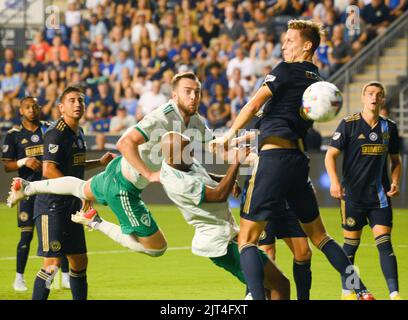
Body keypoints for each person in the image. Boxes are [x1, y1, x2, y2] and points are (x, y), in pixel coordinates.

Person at [209, 19, 374, 300]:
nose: (284, 45)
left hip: (273, 160)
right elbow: (276, 118)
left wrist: (227, 136)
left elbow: (252, 104)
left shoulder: (285, 71)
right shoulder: (318, 84)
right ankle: (361, 290)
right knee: (321, 237)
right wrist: (243, 139)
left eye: (290, 40)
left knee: (247, 240)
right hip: (298, 162)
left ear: (307, 46)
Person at [8, 72, 214, 261]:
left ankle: (28, 187)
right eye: (188, 91)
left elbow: (216, 144)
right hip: (123, 189)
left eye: (197, 92)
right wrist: (150, 174)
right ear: (175, 94)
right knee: (157, 248)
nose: (194, 96)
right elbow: (123, 143)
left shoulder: (194, 120)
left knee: (80, 188)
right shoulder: (163, 115)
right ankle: (96, 222)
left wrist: (237, 141)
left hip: (115, 170)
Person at [10, 86, 113, 300]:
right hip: (51, 207)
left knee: (79, 261)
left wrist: (99, 162)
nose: (77, 104)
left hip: (71, 207)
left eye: (80, 100)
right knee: (52, 265)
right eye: (72, 100)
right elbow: (49, 170)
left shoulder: (79, 132)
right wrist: (81, 192)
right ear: (61, 107)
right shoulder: (56, 133)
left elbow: (75, 164)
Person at [159, 131, 290, 299]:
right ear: (172, 157)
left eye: (190, 149)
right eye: (187, 151)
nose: (192, 153)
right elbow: (218, 195)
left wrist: (223, 179)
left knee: (266, 287)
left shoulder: (180, 160)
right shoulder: (177, 183)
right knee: (278, 284)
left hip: (228, 235)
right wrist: (236, 162)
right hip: (221, 243)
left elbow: (203, 176)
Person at [325, 81, 402, 300]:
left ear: (383, 99)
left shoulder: (390, 127)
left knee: (385, 243)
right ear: (362, 97)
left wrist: (395, 181)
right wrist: (334, 182)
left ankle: (395, 294)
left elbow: (395, 161)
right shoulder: (348, 125)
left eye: (378, 94)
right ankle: (347, 292)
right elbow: (331, 155)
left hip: (380, 197)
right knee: (350, 246)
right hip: (352, 197)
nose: (374, 97)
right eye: (369, 93)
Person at [1, 97, 69, 291]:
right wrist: (24, 162)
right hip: (27, 192)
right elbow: (7, 165)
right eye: (27, 107)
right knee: (26, 235)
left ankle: (64, 276)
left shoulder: (49, 128)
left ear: (39, 109)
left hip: (49, 188)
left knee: (59, 230)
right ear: (21, 111)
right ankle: (19, 278)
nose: (32, 109)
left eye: (35, 106)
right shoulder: (13, 135)